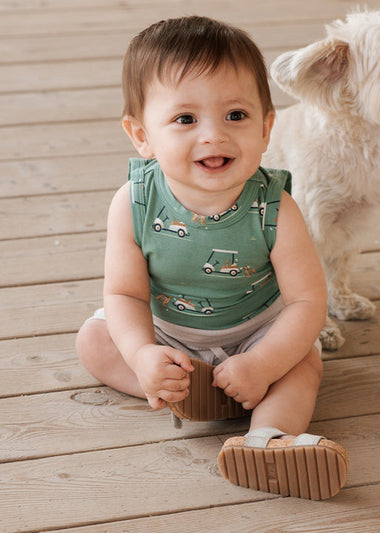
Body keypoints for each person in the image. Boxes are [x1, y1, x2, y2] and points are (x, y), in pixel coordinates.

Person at [76, 16, 348, 500]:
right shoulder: (133, 202)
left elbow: (307, 302)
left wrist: (264, 361)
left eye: (236, 116)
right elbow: (124, 294)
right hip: (169, 332)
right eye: (185, 119)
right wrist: (141, 355)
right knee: (94, 341)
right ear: (141, 135)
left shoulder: (275, 207)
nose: (214, 136)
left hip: (256, 332)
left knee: (302, 362)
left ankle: (269, 438)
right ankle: (175, 387)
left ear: (266, 128)